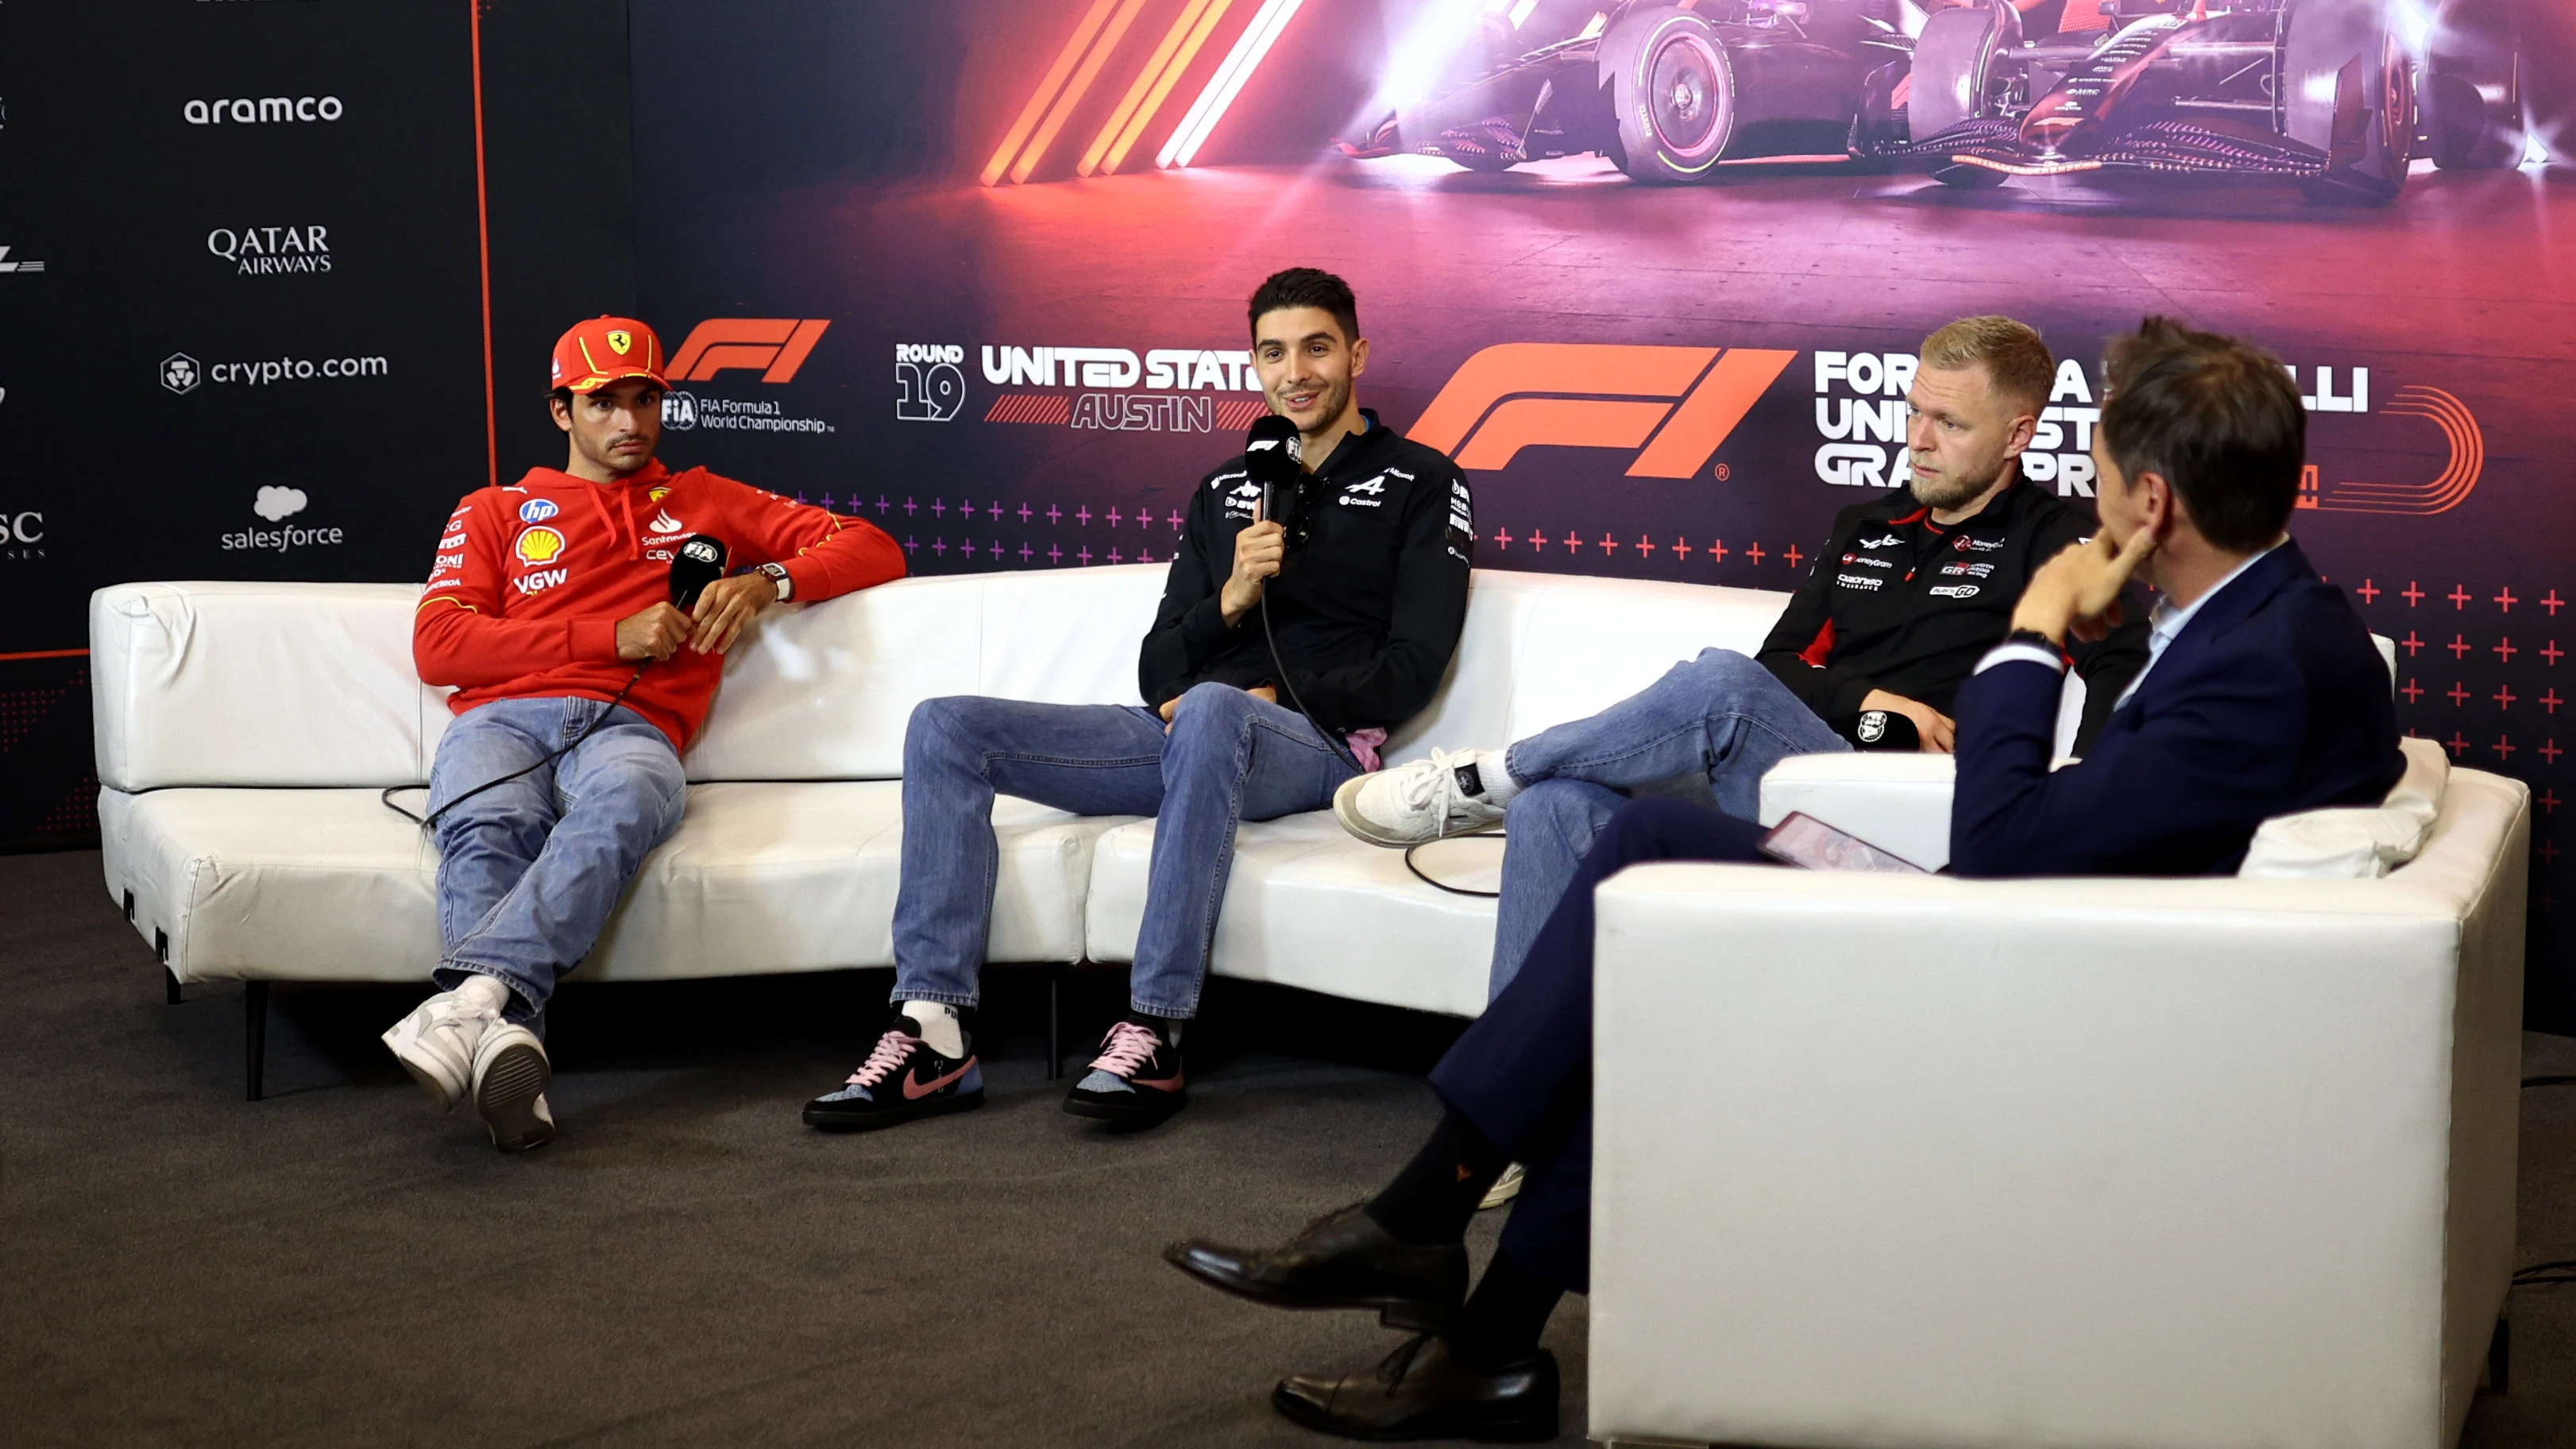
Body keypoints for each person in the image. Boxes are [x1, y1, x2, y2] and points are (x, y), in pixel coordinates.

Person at [1164, 315, 2404, 1443]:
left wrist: (2031, 628)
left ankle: (1434, 1243)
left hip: (2023, 963)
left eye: (2095, 479)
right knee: (1638, 858)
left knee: (1660, 915)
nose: (2083, 508)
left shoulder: (2255, 661)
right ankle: (1466, 1305)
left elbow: (2007, 840)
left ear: (2150, 506)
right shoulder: (2264, 621)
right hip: (2036, 915)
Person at [802, 268, 1473, 1134]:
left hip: (1318, 744)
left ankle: (1155, 1025)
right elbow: (1158, 670)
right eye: (1274, 352)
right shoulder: (1228, 488)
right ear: (1255, 365)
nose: (1295, 371)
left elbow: (1413, 667)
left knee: (1212, 710)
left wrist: (1269, 691)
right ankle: (935, 1028)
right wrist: (1229, 597)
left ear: (1356, 353)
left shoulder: (1421, 480)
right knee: (946, 726)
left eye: (1316, 347)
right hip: (1189, 730)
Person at [1334, 315, 2148, 1003]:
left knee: (1722, 686)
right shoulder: (1865, 524)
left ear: (2019, 433)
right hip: (1784, 796)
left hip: (1898, 836)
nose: (1920, 442)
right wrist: (1871, 701)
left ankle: (1486, 779)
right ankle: (1510, 1111)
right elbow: (1782, 665)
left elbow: (2120, 665)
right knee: (1553, 809)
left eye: (1951, 425)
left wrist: (2077, 805)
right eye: (1914, 413)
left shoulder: (2057, 542)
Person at [382, 317, 906, 1152]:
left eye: (645, 399)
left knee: (626, 802)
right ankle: (511, 1051)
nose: (629, 422)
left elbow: (871, 546)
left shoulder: (706, 498)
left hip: (634, 725)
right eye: (603, 403)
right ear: (562, 411)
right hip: (501, 718)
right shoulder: (496, 509)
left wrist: (771, 580)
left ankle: (474, 1009)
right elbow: (438, 646)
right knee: (488, 829)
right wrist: (607, 634)